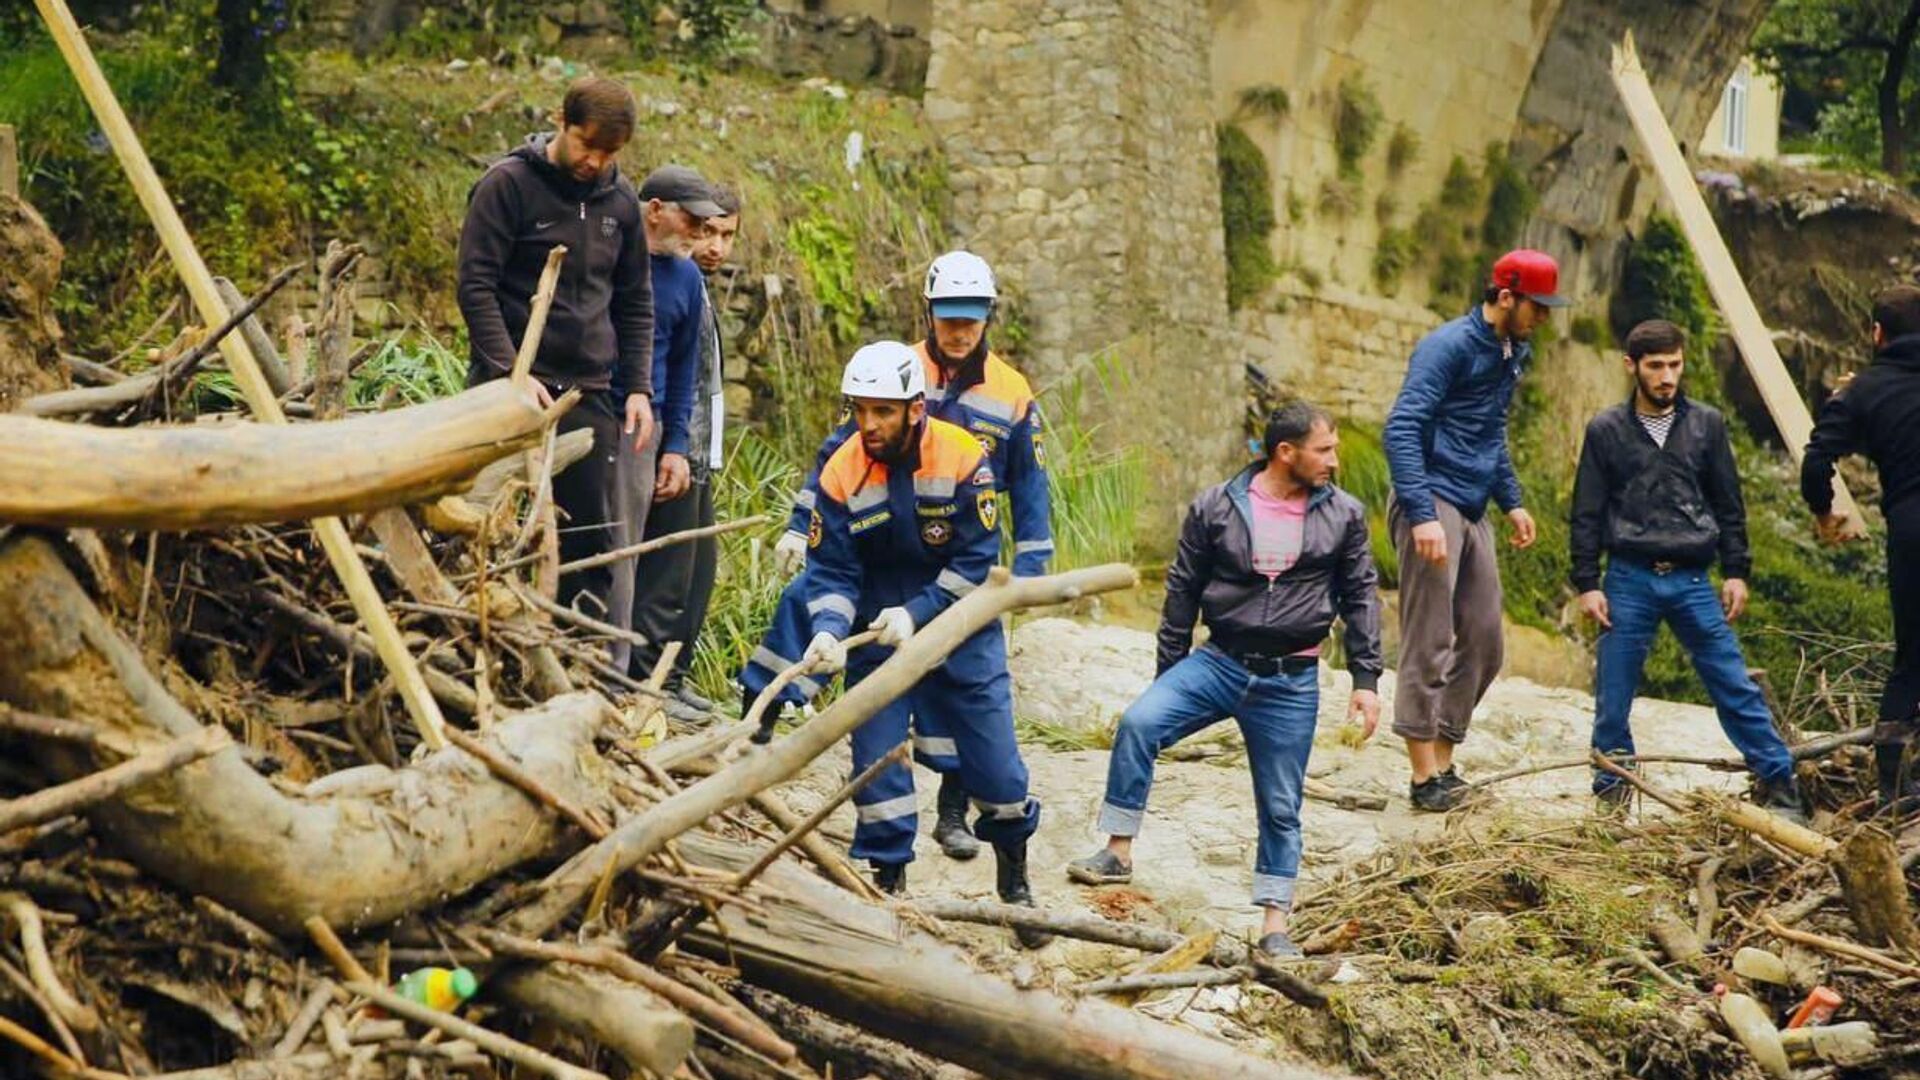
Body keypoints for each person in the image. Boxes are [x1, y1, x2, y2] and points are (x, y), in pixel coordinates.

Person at [740, 251, 1053, 861]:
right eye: (947, 318)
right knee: (809, 603)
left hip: (956, 560)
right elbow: (840, 453)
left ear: (989, 316)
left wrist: (1028, 577)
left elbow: (1031, 484)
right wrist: (800, 523)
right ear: (930, 313)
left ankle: (956, 811)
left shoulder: (1010, 393)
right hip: (876, 551)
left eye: (971, 318)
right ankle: (764, 711)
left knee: (972, 701)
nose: (959, 331)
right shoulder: (891, 371)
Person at [1065, 402, 1382, 959]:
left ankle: (1273, 924)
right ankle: (1117, 851)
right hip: (1220, 662)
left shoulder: (1345, 515)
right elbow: (1182, 592)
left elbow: (1360, 596)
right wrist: (1170, 675)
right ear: (1286, 453)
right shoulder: (1216, 506)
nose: (1334, 460)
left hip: (1292, 677)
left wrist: (1366, 680)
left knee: (1281, 804)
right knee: (1140, 722)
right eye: (1324, 449)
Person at [799, 340, 1048, 947]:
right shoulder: (842, 468)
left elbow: (976, 560)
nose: (868, 425)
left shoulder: (964, 456)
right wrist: (831, 629)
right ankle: (891, 894)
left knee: (996, 770)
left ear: (914, 408)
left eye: (882, 411)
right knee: (878, 763)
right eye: (860, 410)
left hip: (962, 629)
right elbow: (831, 569)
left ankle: (1014, 880)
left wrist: (918, 613)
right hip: (877, 636)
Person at [1571, 319, 1807, 821]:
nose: (1667, 377)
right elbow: (1586, 512)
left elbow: (1729, 504)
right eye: (1656, 366)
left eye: (1674, 365)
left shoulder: (1707, 425)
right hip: (1629, 577)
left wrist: (1737, 570)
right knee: (1613, 696)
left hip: (1693, 578)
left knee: (1733, 683)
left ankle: (1781, 785)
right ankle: (1611, 802)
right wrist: (1587, 583)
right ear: (1631, 366)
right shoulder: (1606, 430)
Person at [456, 77, 653, 622]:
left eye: (610, 152)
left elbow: (635, 300)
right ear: (561, 123)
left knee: (590, 546)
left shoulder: (622, 203)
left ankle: (579, 674)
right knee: (489, 530)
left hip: (589, 397)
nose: (596, 161)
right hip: (509, 390)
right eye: (587, 145)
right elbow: (476, 288)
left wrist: (637, 387)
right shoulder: (507, 186)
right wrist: (509, 371)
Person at [1381, 249, 1560, 811]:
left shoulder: (1513, 349)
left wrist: (1512, 501)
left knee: (1484, 639)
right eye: (1538, 306)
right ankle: (1420, 779)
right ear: (1505, 296)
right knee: (1430, 638)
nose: (1545, 319)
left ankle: (1443, 758)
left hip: (1473, 503)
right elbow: (1402, 428)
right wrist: (1422, 514)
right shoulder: (1448, 346)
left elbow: (1489, 429)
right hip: (1431, 499)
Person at [1802, 284, 1920, 812]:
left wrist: (1825, 512)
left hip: (1912, 529)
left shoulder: (1864, 392)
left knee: (1910, 656)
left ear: (1877, 333)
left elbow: (1816, 461)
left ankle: (1893, 790)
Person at [626, 182, 741, 720]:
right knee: (664, 572)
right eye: (707, 231)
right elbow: (674, 377)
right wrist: (676, 446)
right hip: (672, 445)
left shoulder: (692, 284)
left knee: (695, 574)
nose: (713, 245)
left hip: (696, 451)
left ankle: (676, 672)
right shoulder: (654, 278)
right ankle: (652, 681)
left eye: (726, 235)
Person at [610, 166, 724, 683]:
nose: (701, 236)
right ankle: (605, 673)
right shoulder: (611, 256)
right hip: (599, 417)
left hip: (651, 429)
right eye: (694, 221)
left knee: (664, 564)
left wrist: (675, 446)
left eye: (714, 227)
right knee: (606, 552)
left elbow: (686, 372)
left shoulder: (687, 277)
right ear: (654, 210)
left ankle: (644, 679)